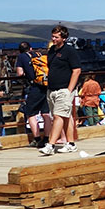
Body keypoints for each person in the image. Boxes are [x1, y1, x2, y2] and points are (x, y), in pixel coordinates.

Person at [39, 25, 82, 156]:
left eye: (56, 37)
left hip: (64, 89)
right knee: (65, 116)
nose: (54, 39)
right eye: (52, 36)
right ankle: (71, 143)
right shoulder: (51, 50)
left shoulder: (69, 51)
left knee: (58, 116)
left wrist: (70, 89)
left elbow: (77, 70)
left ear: (64, 38)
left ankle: (50, 145)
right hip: (52, 89)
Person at [13, 42, 51, 147]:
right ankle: (47, 138)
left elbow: (20, 73)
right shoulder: (38, 54)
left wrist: (26, 73)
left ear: (19, 50)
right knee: (45, 113)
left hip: (35, 86)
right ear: (31, 48)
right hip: (46, 85)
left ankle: (37, 139)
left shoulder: (21, 57)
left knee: (30, 113)